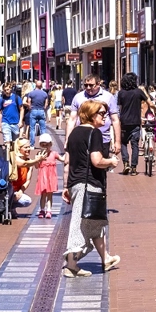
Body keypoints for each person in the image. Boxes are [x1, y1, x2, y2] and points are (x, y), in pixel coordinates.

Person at [63, 99, 122, 277]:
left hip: (76, 182)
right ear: (91, 115)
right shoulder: (94, 133)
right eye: (101, 113)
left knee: (95, 222)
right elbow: (96, 160)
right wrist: (110, 161)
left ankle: (105, 258)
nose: (105, 117)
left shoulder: (73, 134)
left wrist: (67, 186)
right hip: (88, 184)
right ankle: (71, 264)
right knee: (80, 222)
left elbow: (69, 161)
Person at [78, 74, 121, 159]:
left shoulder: (108, 97)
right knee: (83, 166)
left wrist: (117, 142)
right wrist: (68, 139)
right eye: (86, 85)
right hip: (82, 139)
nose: (88, 88)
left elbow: (115, 120)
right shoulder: (78, 97)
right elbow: (72, 119)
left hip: (103, 139)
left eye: (91, 85)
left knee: (100, 167)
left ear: (98, 84)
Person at [115, 73, 149, 175]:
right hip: (135, 122)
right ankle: (134, 167)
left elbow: (119, 108)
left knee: (124, 143)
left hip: (124, 122)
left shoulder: (121, 93)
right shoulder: (139, 92)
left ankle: (126, 163)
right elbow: (149, 102)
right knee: (135, 145)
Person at [31, 133, 61, 219]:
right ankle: (42, 210)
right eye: (43, 145)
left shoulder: (54, 153)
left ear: (51, 144)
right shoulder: (39, 154)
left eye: (47, 145)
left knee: (50, 194)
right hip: (43, 177)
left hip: (51, 177)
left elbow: (62, 159)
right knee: (43, 194)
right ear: (40, 145)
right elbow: (36, 166)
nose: (45, 147)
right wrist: (38, 159)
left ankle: (49, 210)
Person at [24, 80, 50, 146]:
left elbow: (29, 102)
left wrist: (30, 108)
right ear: (41, 86)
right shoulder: (44, 94)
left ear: (35, 85)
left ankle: (32, 144)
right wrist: (43, 108)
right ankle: (43, 144)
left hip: (33, 110)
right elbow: (46, 104)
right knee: (43, 129)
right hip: (41, 110)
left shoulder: (31, 93)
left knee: (32, 128)